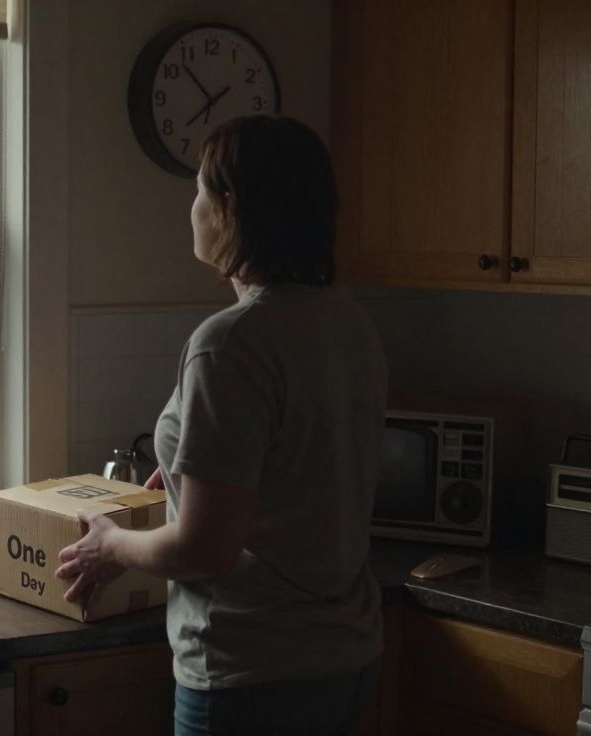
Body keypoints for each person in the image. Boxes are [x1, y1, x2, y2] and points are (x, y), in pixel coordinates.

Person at [55, 115, 389, 736]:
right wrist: (193, 471)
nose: (192, 208)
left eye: (199, 190)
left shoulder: (231, 342)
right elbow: (297, 462)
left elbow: (205, 550)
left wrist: (111, 546)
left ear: (228, 207)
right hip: (348, 659)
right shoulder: (348, 322)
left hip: (253, 670)